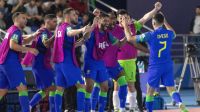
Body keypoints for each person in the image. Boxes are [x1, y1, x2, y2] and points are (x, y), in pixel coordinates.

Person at [122, 12, 189, 112]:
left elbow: (130, 39)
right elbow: (173, 32)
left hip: (155, 66)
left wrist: (125, 26)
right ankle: (180, 104)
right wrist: (164, 20)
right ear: (162, 22)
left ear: (153, 22)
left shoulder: (150, 35)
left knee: (150, 90)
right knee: (171, 89)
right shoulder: (169, 33)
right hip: (167, 65)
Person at [113, 2, 162, 111]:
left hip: (131, 61)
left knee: (131, 86)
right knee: (117, 85)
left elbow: (145, 18)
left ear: (128, 18)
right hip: (118, 61)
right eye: (121, 18)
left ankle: (132, 108)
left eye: (125, 17)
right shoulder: (114, 29)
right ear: (117, 19)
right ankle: (116, 108)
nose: (123, 20)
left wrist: (155, 9)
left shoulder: (133, 26)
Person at [52, 8, 90, 112]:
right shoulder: (67, 27)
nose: (77, 17)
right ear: (67, 16)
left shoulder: (59, 27)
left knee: (60, 89)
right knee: (81, 86)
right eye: (74, 15)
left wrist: (84, 38)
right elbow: (69, 33)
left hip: (59, 63)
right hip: (67, 61)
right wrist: (81, 30)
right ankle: (81, 110)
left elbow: (72, 44)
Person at [0, 12, 40, 112]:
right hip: (10, 62)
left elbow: (22, 41)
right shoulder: (16, 31)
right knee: (22, 88)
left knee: (2, 90)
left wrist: (34, 35)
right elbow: (12, 45)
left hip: (3, 63)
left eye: (26, 18)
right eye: (23, 18)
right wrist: (29, 50)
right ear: (16, 19)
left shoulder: (11, 30)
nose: (25, 20)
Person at [90, 11, 128, 112]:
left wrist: (127, 33)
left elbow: (120, 44)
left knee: (123, 83)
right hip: (102, 65)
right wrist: (98, 15)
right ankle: (93, 110)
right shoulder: (100, 30)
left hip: (114, 64)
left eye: (112, 18)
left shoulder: (119, 29)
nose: (110, 21)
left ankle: (122, 108)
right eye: (108, 19)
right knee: (99, 87)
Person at [22, 14, 57, 112]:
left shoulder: (46, 32)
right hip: (40, 64)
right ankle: (30, 105)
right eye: (54, 21)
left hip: (44, 64)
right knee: (51, 87)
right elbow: (46, 43)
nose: (56, 23)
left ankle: (31, 106)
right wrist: (56, 34)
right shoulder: (44, 32)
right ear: (48, 21)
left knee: (51, 88)